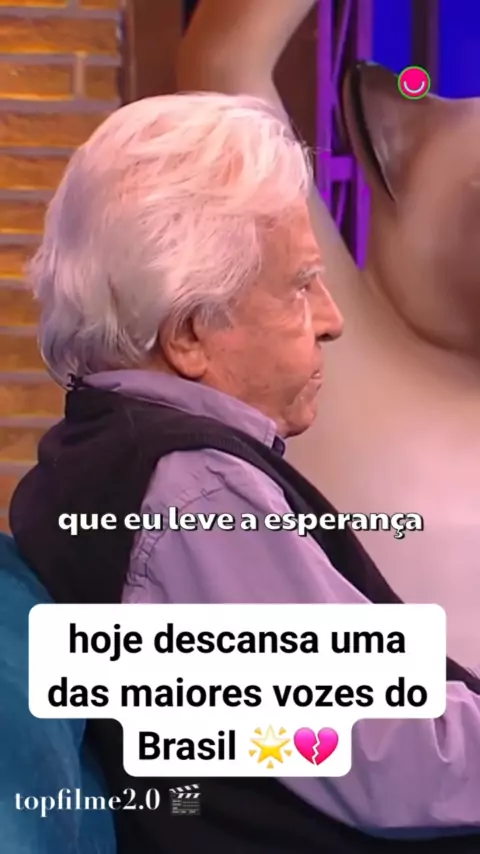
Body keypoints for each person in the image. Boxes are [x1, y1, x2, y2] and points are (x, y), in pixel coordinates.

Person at [8, 92, 480, 854]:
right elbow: (387, 753)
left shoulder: (114, 456)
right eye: (300, 286)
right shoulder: (194, 491)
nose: (331, 319)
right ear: (193, 333)